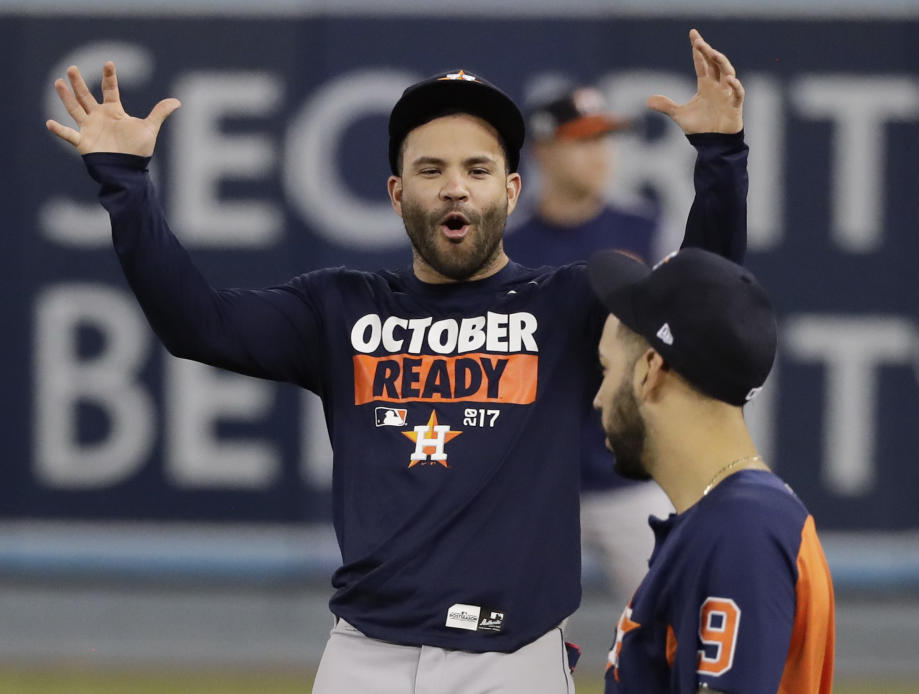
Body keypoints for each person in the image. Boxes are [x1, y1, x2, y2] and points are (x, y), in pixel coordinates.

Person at [46, 28, 747, 694]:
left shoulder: (564, 301)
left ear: (508, 190)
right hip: (364, 656)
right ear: (395, 193)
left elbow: (690, 306)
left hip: (512, 657)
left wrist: (719, 157)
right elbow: (195, 323)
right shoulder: (341, 308)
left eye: (477, 169)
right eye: (430, 169)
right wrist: (127, 187)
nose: (453, 187)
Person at [588, 248, 835, 693]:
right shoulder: (726, 520)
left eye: (607, 370)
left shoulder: (744, 531)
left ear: (650, 371)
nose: (599, 397)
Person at [509, 84, 674, 602]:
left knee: (673, 637)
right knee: (507, 640)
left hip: (633, 475)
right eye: (582, 140)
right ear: (543, 151)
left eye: (602, 139)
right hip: (536, 484)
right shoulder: (508, 247)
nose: (598, 153)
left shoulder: (644, 230)